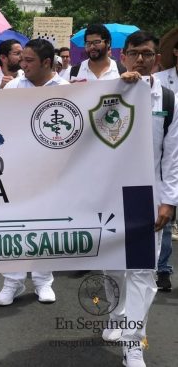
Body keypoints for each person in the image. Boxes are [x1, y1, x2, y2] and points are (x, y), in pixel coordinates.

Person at [103, 30, 178, 367]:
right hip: (107, 192)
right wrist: (117, 90)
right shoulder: (102, 94)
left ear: (156, 59)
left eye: (148, 54)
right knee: (112, 267)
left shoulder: (168, 98)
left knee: (143, 272)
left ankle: (133, 342)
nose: (141, 59)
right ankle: (116, 312)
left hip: (146, 194)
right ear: (123, 56)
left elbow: (172, 155)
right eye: (134, 52)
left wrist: (169, 200)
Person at [0, 39, 69, 306]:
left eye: (28, 61)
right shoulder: (14, 85)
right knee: (13, 226)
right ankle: (12, 282)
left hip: (51, 170)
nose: (22, 65)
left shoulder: (65, 89)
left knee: (45, 226)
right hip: (16, 167)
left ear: (47, 63)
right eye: (21, 60)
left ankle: (43, 281)